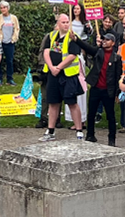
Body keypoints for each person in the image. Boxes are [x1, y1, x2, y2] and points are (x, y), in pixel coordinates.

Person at [39, 13, 95, 142]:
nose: (66, 24)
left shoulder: (72, 37)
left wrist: (59, 67)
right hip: (53, 75)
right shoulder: (52, 36)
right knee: (53, 102)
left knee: (72, 102)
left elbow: (72, 55)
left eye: (67, 22)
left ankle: (79, 130)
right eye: (63, 22)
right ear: (58, 24)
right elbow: (46, 51)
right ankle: (50, 130)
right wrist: (52, 67)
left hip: (68, 75)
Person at [85, 32, 122, 145]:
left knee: (110, 115)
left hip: (108, 90)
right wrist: (76, 39)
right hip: (96, 87)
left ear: (113, 43)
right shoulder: (98, 52)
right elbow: (87, 48)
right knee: (91, 113)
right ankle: (90, 134)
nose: (105, 41)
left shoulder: (116, 58)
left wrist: (117, 93)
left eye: (108, 40)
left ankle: (112, 139)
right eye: (104, 39)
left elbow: (118, 76)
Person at [0, 1, 20, 86]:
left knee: (10, 61)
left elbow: (17, 28)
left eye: (4, 7)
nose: (2, 9)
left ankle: (10, 79)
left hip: (10, 43)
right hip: (0, 43)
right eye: (1, 8)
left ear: (8, 8)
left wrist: (14, 38)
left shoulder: (14, 18)